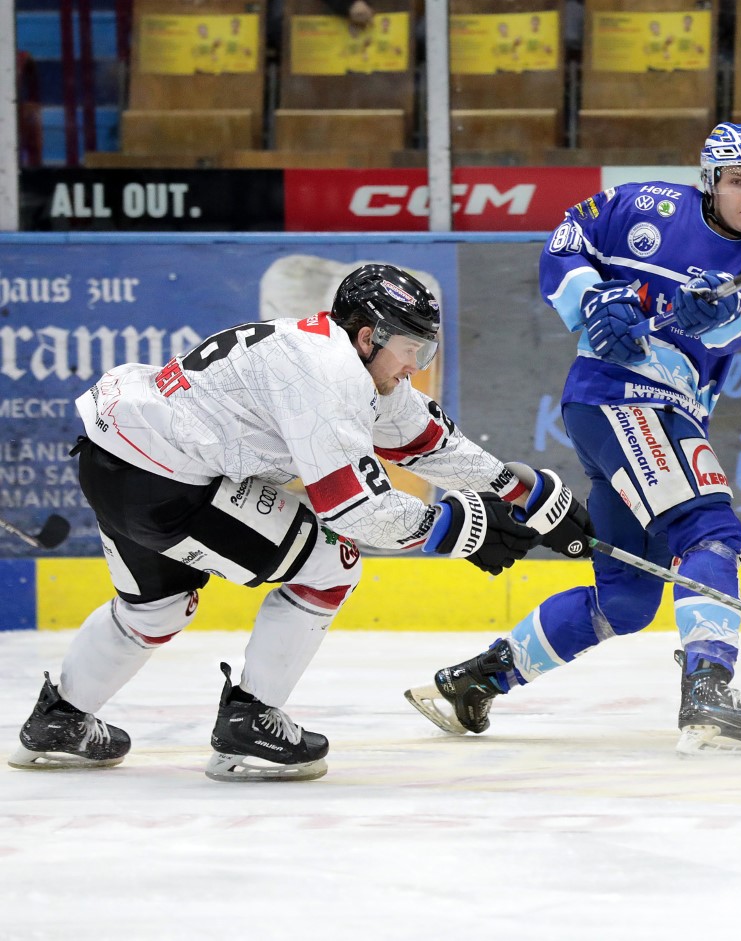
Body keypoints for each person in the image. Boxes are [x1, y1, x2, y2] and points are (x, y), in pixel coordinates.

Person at [8, 264, 592, 782]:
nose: (416, 365)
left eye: (426, 350)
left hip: (113, 461)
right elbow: (355, 509)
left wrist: (522, 490)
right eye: (411, 348)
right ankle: (249, 722)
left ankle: (59, 721)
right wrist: (462, 530)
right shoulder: (327, 373)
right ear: (368, 336)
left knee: (154, 609)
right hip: (166, 483)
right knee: (332, 563)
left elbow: (425, 440)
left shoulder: (339, 355)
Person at [410, 123, 741, 756]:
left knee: (625, 600)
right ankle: (708, 688)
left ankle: (474, 682)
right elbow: (566, 240)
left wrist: (718, 314)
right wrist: (593, 298)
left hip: (657, 411)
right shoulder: (642, 204)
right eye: (737, 180)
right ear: (710, 181)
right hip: (621, 397)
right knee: (709, 529)